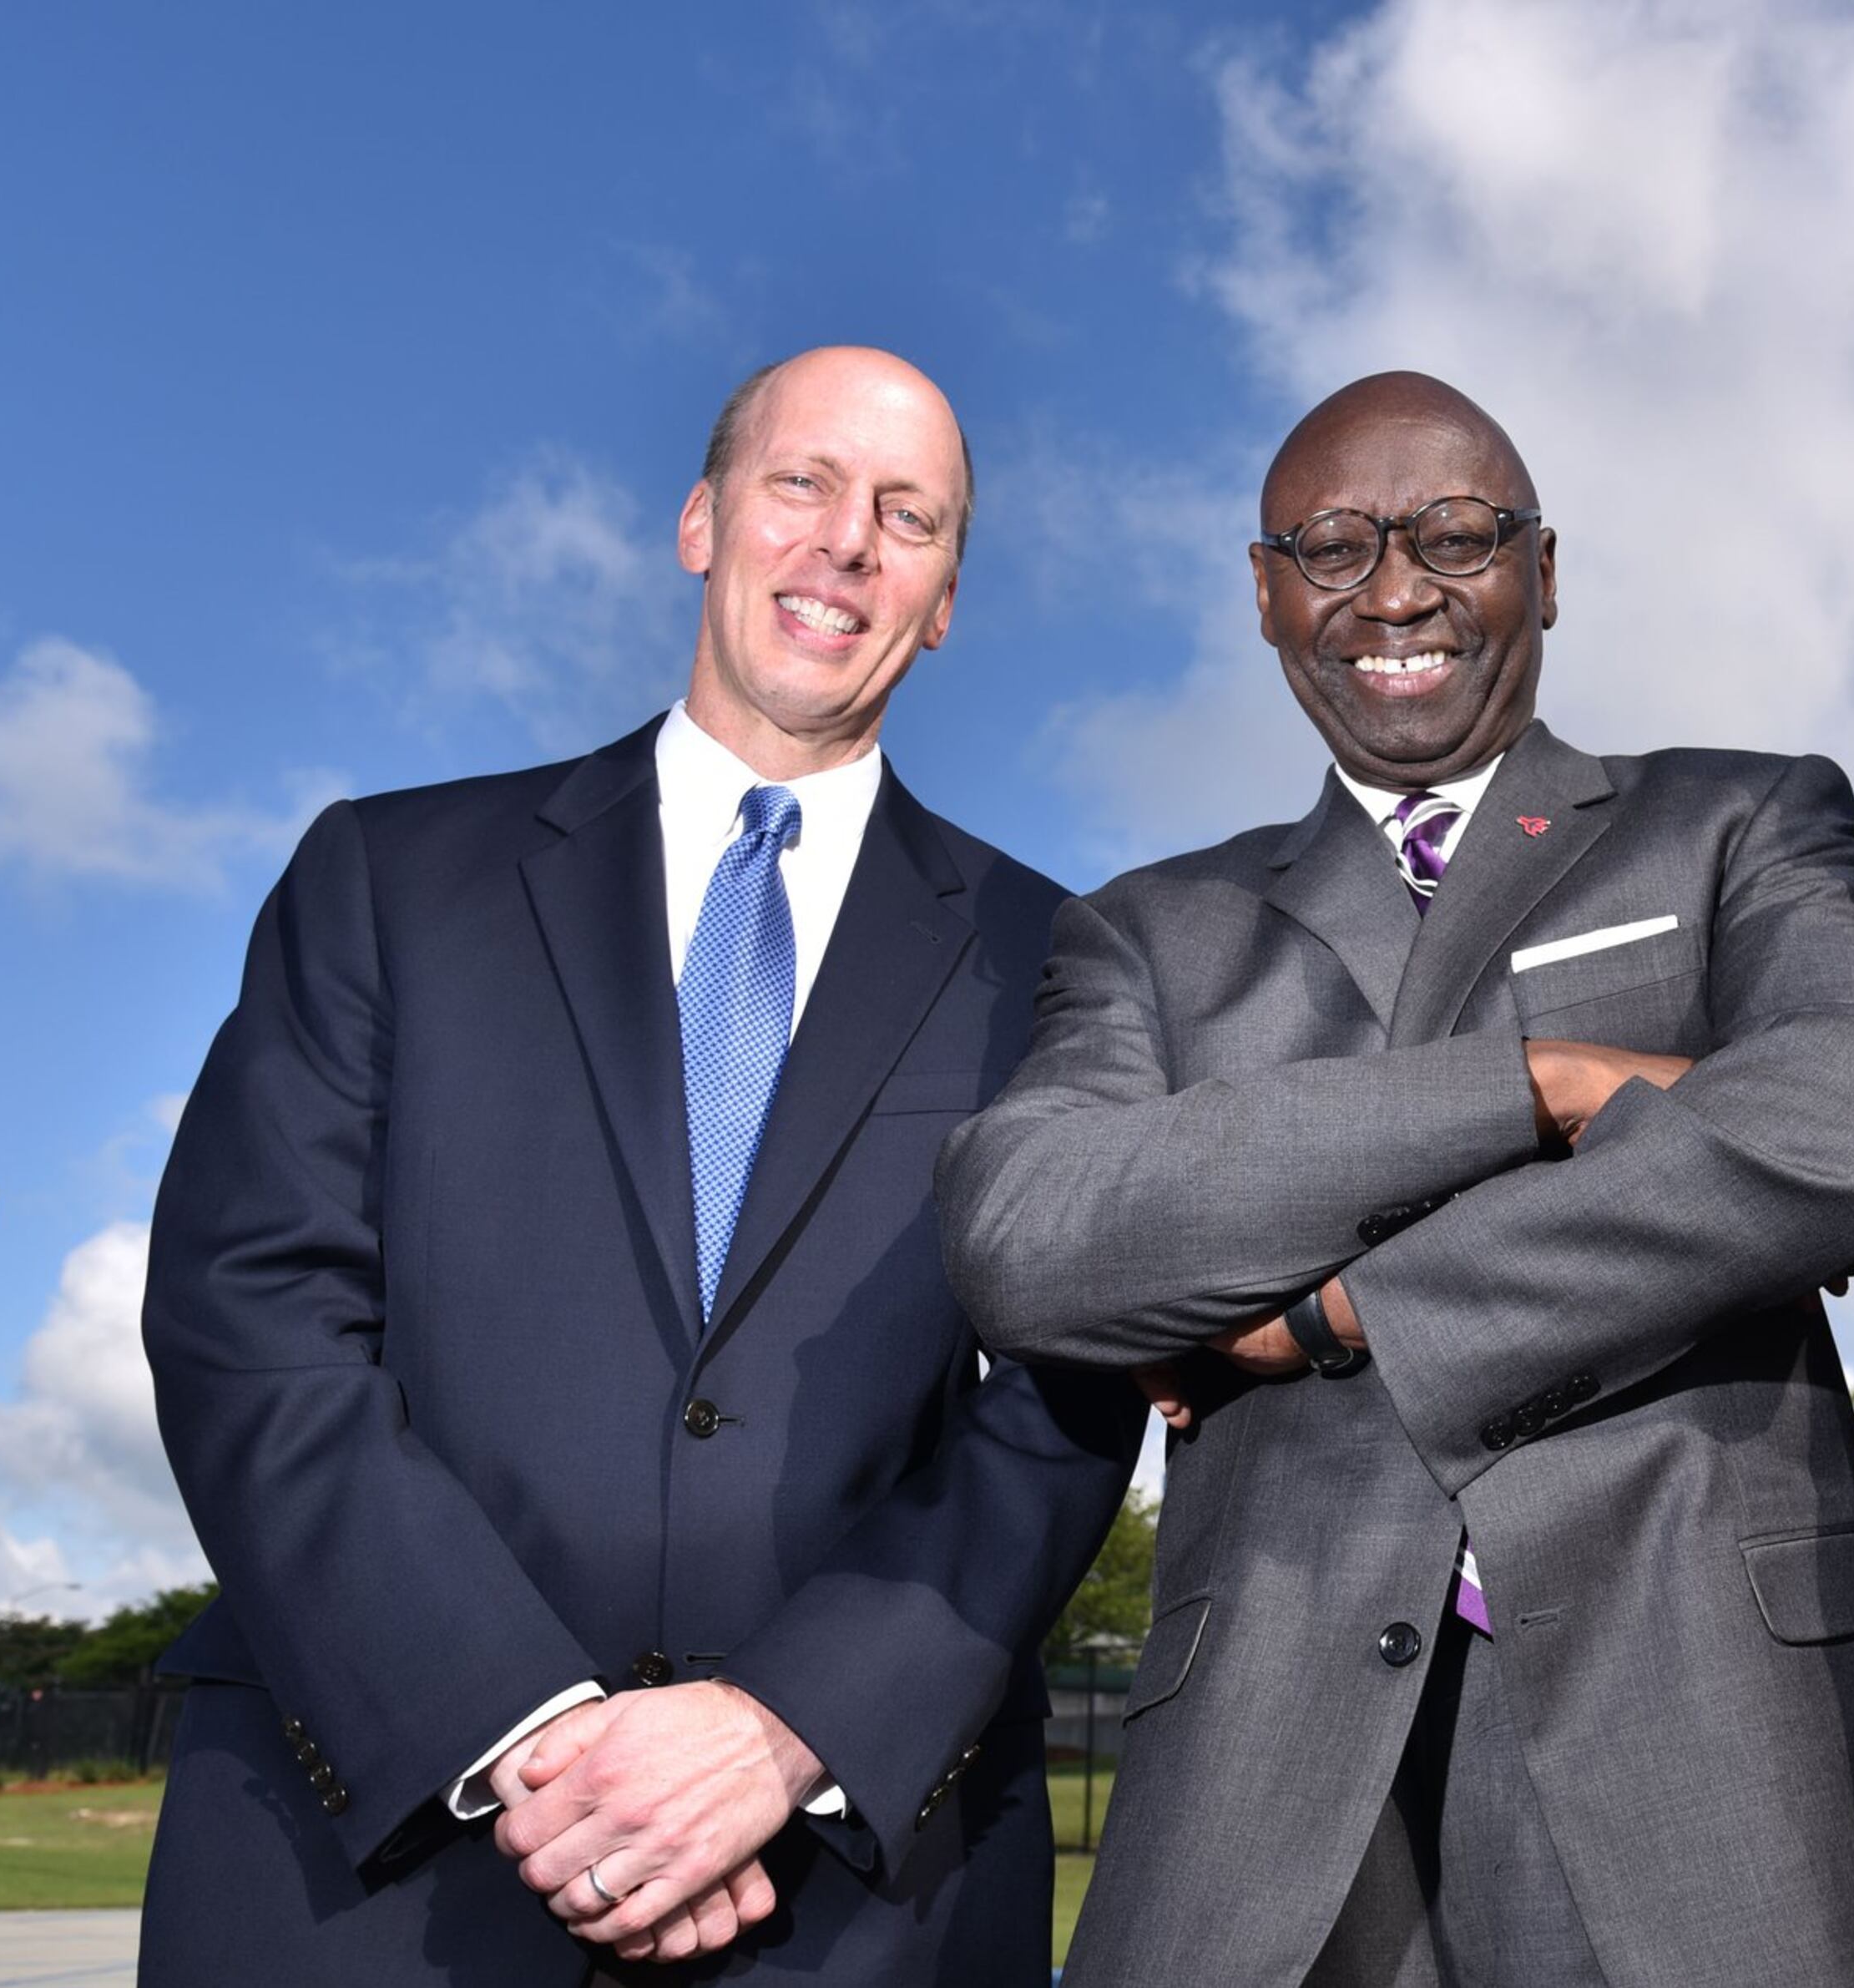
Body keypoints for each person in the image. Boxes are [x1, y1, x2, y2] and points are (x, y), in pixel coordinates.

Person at [937, 371, 1854, 1987]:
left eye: (1454, 534)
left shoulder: (1738, 823)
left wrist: (1346, 1307)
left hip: (1713, 1748)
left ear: (1543, 572)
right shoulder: (1147, 933)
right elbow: (1032, 1241)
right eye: (1337, 545)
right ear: (1270, 595)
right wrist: (1535, 1085)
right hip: (1269, 1798)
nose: (1399, 589)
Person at [138, 346, 1139, 1983]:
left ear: (946, 597)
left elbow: (1068, 1380)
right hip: (375, 1863)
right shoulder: (390, 880)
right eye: (802, 483)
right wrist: (531, 1733)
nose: (848, 542)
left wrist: (782, 1729)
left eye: (911, 515)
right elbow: (252, 1317)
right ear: (702, 518)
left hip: (849, 1887)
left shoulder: (1061, 961)